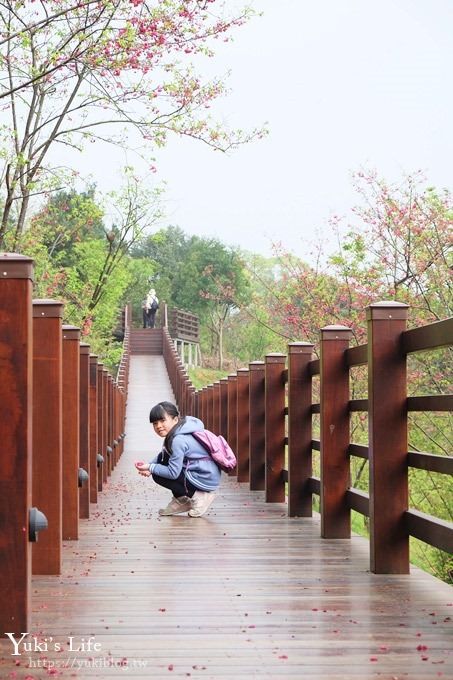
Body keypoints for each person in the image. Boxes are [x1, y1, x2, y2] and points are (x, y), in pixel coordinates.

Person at [135, 401, 220, 517]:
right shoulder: (178, 432)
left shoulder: (178, 440)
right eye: (155, 423)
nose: (158, 426)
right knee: (162, 463)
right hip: (205, 471)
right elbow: (164, 455)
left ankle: (200, 497)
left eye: (162, 420)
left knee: (158, 474)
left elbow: (173, 473)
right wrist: (150, 465)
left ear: (175, 419)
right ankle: (182, 500)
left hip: (204, 476)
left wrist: (151, 468)